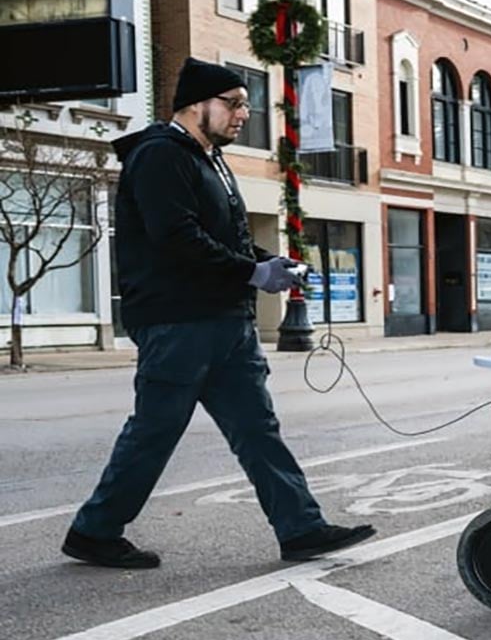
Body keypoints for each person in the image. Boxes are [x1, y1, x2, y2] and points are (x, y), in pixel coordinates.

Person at [62, 58, 375, 569]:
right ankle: (94, 530)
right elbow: (177, 238)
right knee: (155, 431)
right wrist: (252, 274)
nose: (242, 115)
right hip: (179, 321)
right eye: (232, 104)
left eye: (246, 106)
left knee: (258, 429)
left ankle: (301, 528)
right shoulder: (161, 155)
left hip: (225, 320)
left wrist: (268, 262)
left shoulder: (211, 159)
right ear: (193, 106)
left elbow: (223, 239)